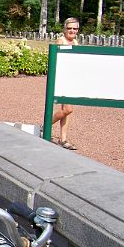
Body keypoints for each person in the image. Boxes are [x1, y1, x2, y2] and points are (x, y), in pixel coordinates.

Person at [52, 17, 80, 150]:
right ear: (65, 29)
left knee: (67, 111)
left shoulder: (75, 41)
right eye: (70, 28)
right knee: (68, 109)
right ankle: (45, 126)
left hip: (72, 79)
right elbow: (58, 61)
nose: (72, 30)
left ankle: (63, 139)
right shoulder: (61, 41)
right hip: (62, 78)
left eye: (75, 28)